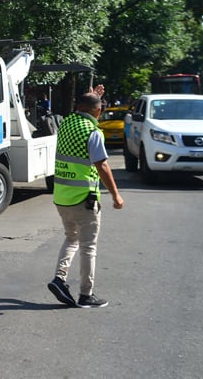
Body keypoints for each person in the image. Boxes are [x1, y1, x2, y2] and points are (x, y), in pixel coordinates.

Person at [47, 86, 124, 309]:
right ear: (98, 112)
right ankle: (85, 294)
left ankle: (59, 279)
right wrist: (116, 195)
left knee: (71, 238)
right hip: (84, 199)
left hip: (62, 197)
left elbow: (87, 107)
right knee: (88, 246)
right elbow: (103, 165)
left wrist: (92, 97)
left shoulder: (66, 125)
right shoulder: (93, 133)